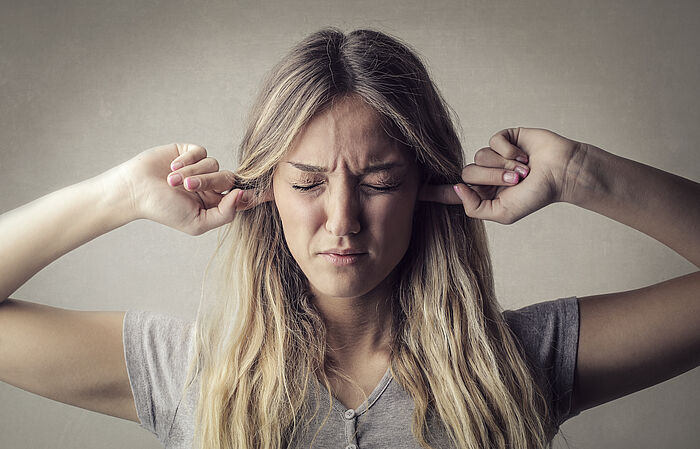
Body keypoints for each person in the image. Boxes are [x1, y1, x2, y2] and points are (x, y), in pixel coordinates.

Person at [0, 27, 698, 449]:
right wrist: (117, 194)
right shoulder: (190, 374)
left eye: (378, 181)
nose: (341, 219)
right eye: (306, 183)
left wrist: (581, 172)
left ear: (426, 187)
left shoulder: (512, 364)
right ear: (266, 191)